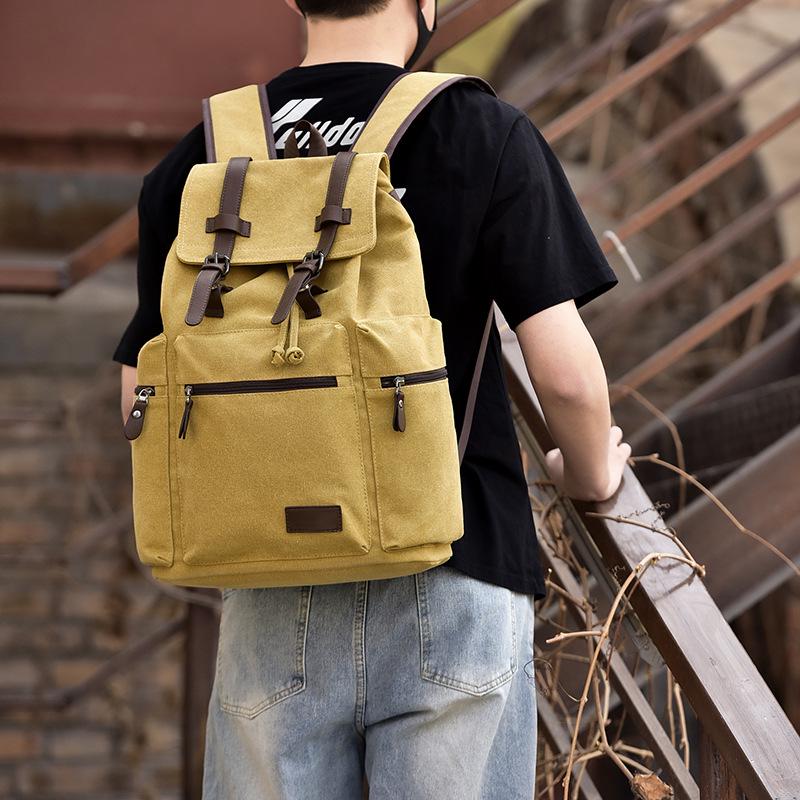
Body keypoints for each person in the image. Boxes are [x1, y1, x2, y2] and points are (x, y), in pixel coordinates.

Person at [114, 0, 630, 796]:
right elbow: (564, 376)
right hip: (455, 564)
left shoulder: (204, 157)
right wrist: (590, 474)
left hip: (268, 584)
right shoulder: (480, 132)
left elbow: (139, 399)